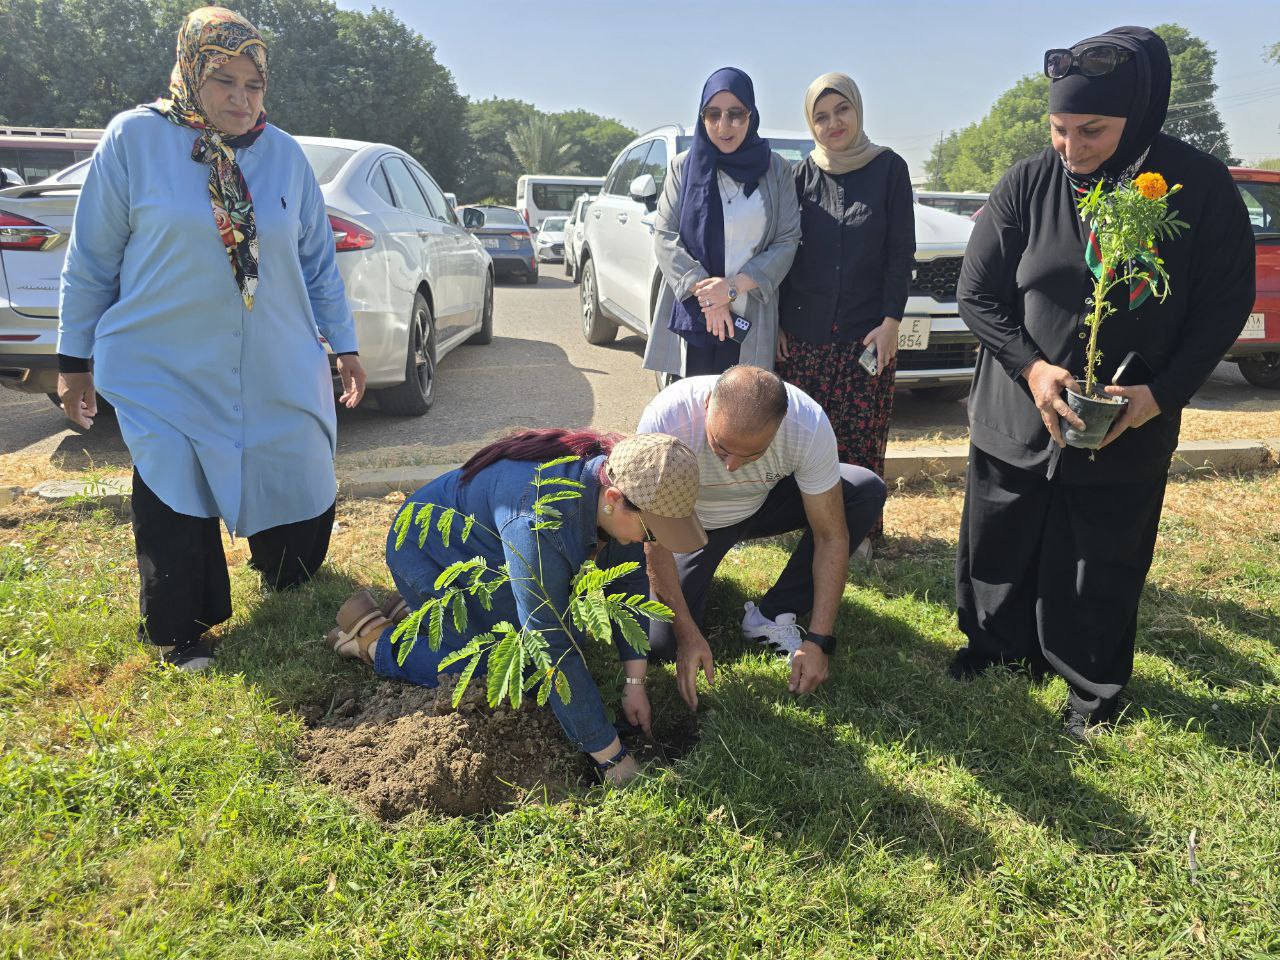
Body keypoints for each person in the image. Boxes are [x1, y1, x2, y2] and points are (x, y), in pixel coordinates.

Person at [950, 26, 1255, 739]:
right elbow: (978, 294)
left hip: (1128, 409)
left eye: (1092, 130)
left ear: (1140, 114)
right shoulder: (1029, 181)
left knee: (1100, 550)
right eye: (1059, 128)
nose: (1072, 147)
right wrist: (1031, 367)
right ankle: (997, 647)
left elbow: (1222, 306)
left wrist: (1164, 392)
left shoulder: (1198, 188)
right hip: (1019, 403)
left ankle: (1089, 681)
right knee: (1002, 528)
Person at [56, 7, 366, 672]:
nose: (239, 98)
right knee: (175, 484)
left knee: (298, 459)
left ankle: (288, 572)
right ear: (189, 72)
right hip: (165, 359)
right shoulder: (133, 141)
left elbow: (316, 262)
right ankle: (182, 628)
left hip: (274, 357)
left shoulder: (283, 155)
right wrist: (72, 357)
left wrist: (343, 344)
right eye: (223, 79)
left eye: (253, 84)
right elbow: (92, 258)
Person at [326, 431, 705, 785]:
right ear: (613, 500)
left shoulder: (611, 481)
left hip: (483, 551)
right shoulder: (540, 524)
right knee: (496, 667)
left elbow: (628, 578)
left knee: (548, 637)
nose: (651, 541)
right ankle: (374, 641)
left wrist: (633, 683)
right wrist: (611, 758)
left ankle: (421, 614)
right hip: (426, 548)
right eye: (651, 531)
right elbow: (552, 649)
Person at [637, 365, 887, 709]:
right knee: (662, 645)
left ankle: (774, 613)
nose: (732, 467)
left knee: (864, 490)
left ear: (780, 427)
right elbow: (654, 538)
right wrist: (687, 632)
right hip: (693, 523)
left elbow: (832, 536)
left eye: (752, 454)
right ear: (708, 405)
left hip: (761, 504)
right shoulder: (667, 419)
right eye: (721, 448)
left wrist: (817, 640)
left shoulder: (807, 424)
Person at [776, 73, 915, 544]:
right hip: (804, 336)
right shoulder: (798, 177)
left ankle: (858, 536)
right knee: (804, 441)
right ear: (809, 124)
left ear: (857, 110)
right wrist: (777, 321)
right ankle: (802, 531)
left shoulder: (889, 169)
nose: (833, 123)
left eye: (842, 111)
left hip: (866, 336)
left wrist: (892, 320)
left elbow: (901, 251)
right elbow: (784, 251)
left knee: (858, 441)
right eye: (821, 116)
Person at [644, 67, 801, 380]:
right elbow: (664, 236)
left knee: (744, 412)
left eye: (735, 114)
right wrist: (711, 299)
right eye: (712, 114)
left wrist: (730, 289)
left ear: (751, 115)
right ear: (702, 117)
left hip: (750, 311)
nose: (723, 125)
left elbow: (787, 239)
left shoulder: (776, 169)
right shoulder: (684, 167)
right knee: (693, 410)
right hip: (695, 312)